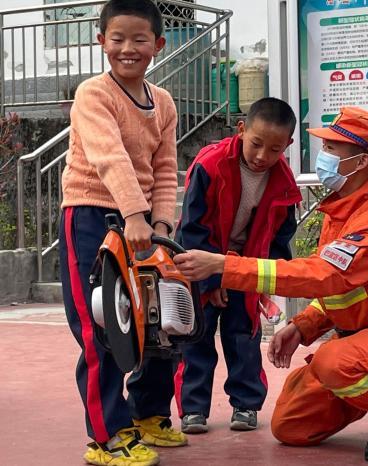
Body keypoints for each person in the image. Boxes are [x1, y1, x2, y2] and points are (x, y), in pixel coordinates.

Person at [173, 106, 368, 462]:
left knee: (334, 362)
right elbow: (345, 290)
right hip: (364, 340)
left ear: (360, 162)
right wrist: (302, 327)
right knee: (291, 426)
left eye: (332, 149)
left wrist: (226, 267)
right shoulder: (344, 209)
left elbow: (322, 275)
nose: (324, 156)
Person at [58, 1, 186, 464]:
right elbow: (108, 155)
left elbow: (167, 169)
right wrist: (134, 215)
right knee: (103, 330)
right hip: (92, 215)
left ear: (158, 45)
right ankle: (107, 436)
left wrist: (161, 224)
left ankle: (148, 414)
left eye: (138, 39)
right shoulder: (94, 94)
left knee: (160, 322)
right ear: (101, 42)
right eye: (117, 39)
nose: (127, 49)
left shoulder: (164, 102)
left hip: (145, 225)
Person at [174, 97, 301, 434]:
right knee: (194, 336)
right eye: (256, 144)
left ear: (287, 146)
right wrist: (211, 281)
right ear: (242, 130)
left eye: (274, 149)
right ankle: (193, 409)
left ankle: (246, 405)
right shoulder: (210, 164)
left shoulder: (284, 181)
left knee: (243, 336)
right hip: (199, 264)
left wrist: (265, 279)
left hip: (246, 268)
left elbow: (281, 236)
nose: (262, 156)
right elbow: (192, 228)